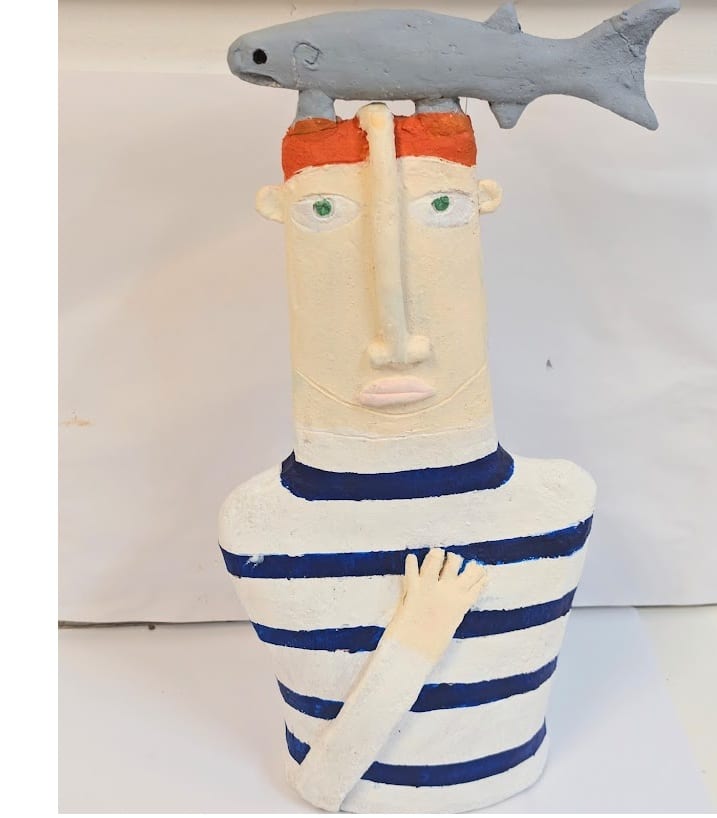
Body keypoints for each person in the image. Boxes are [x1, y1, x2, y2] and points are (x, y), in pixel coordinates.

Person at [219, 103, 595, 813]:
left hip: (508, 767)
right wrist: (419, 634)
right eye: (321, 212)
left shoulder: (556, 506)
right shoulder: (259, 526)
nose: (395, 340)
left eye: (443, 208)